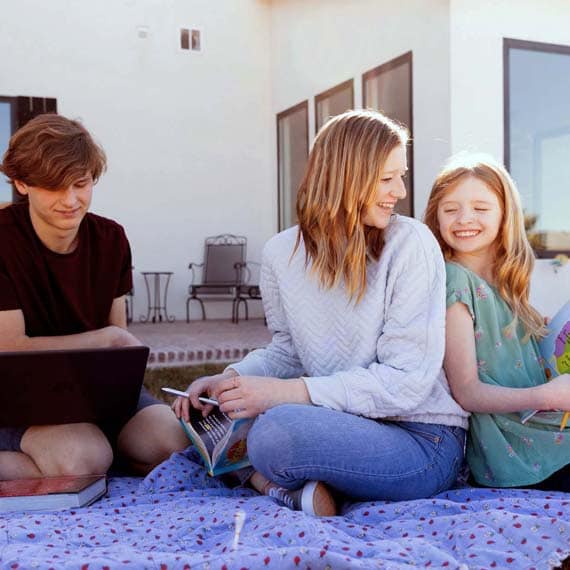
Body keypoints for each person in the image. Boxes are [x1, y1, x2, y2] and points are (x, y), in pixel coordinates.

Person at [173, 110, 468, 516]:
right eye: (386, 178)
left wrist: (287, 394)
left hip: (421, 440)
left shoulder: (410, 244)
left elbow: (407, 381)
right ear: (345, 176)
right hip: (337, 424)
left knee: (276, 433)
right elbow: (288, 351)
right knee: (215, 421)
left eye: (401, 176)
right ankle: (302, 487)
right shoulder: (281, 252)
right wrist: (230, 380)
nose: (399, 190)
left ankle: (266, 481)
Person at [0, 114, 188, 480]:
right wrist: (105, 339)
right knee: (84, 457)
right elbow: (9, 347)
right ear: (22, 184)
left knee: (174, 441)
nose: (70, 200)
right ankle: (79, 464)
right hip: (20, 400)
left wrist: (112, 345)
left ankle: (78, 466)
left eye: (80, 183)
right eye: (54, 187)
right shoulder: (3, 240)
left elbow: (117, 354)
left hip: (95, 395)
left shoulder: (111, 239)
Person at [424, 152, 570, 490]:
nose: (464, 218)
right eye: (450, 209)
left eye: (480, 207)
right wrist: (546, 396)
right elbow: (468, 392)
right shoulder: (454, 281)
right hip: (516, 451)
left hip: (547, 430)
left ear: (505, 214)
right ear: (437, 217)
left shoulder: (505, 286)